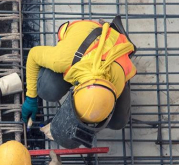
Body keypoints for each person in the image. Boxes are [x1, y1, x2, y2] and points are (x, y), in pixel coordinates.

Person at [21, 16, 137, 148]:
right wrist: (31, 96)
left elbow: (94, 109)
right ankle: (108, 28)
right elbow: (33, 55)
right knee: (46, 90)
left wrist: (64, 127)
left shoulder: (119, 79)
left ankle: (118, 35)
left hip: (114, 52)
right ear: (76, 89)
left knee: (118, 122)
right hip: (83, 37)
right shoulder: (62, 59)